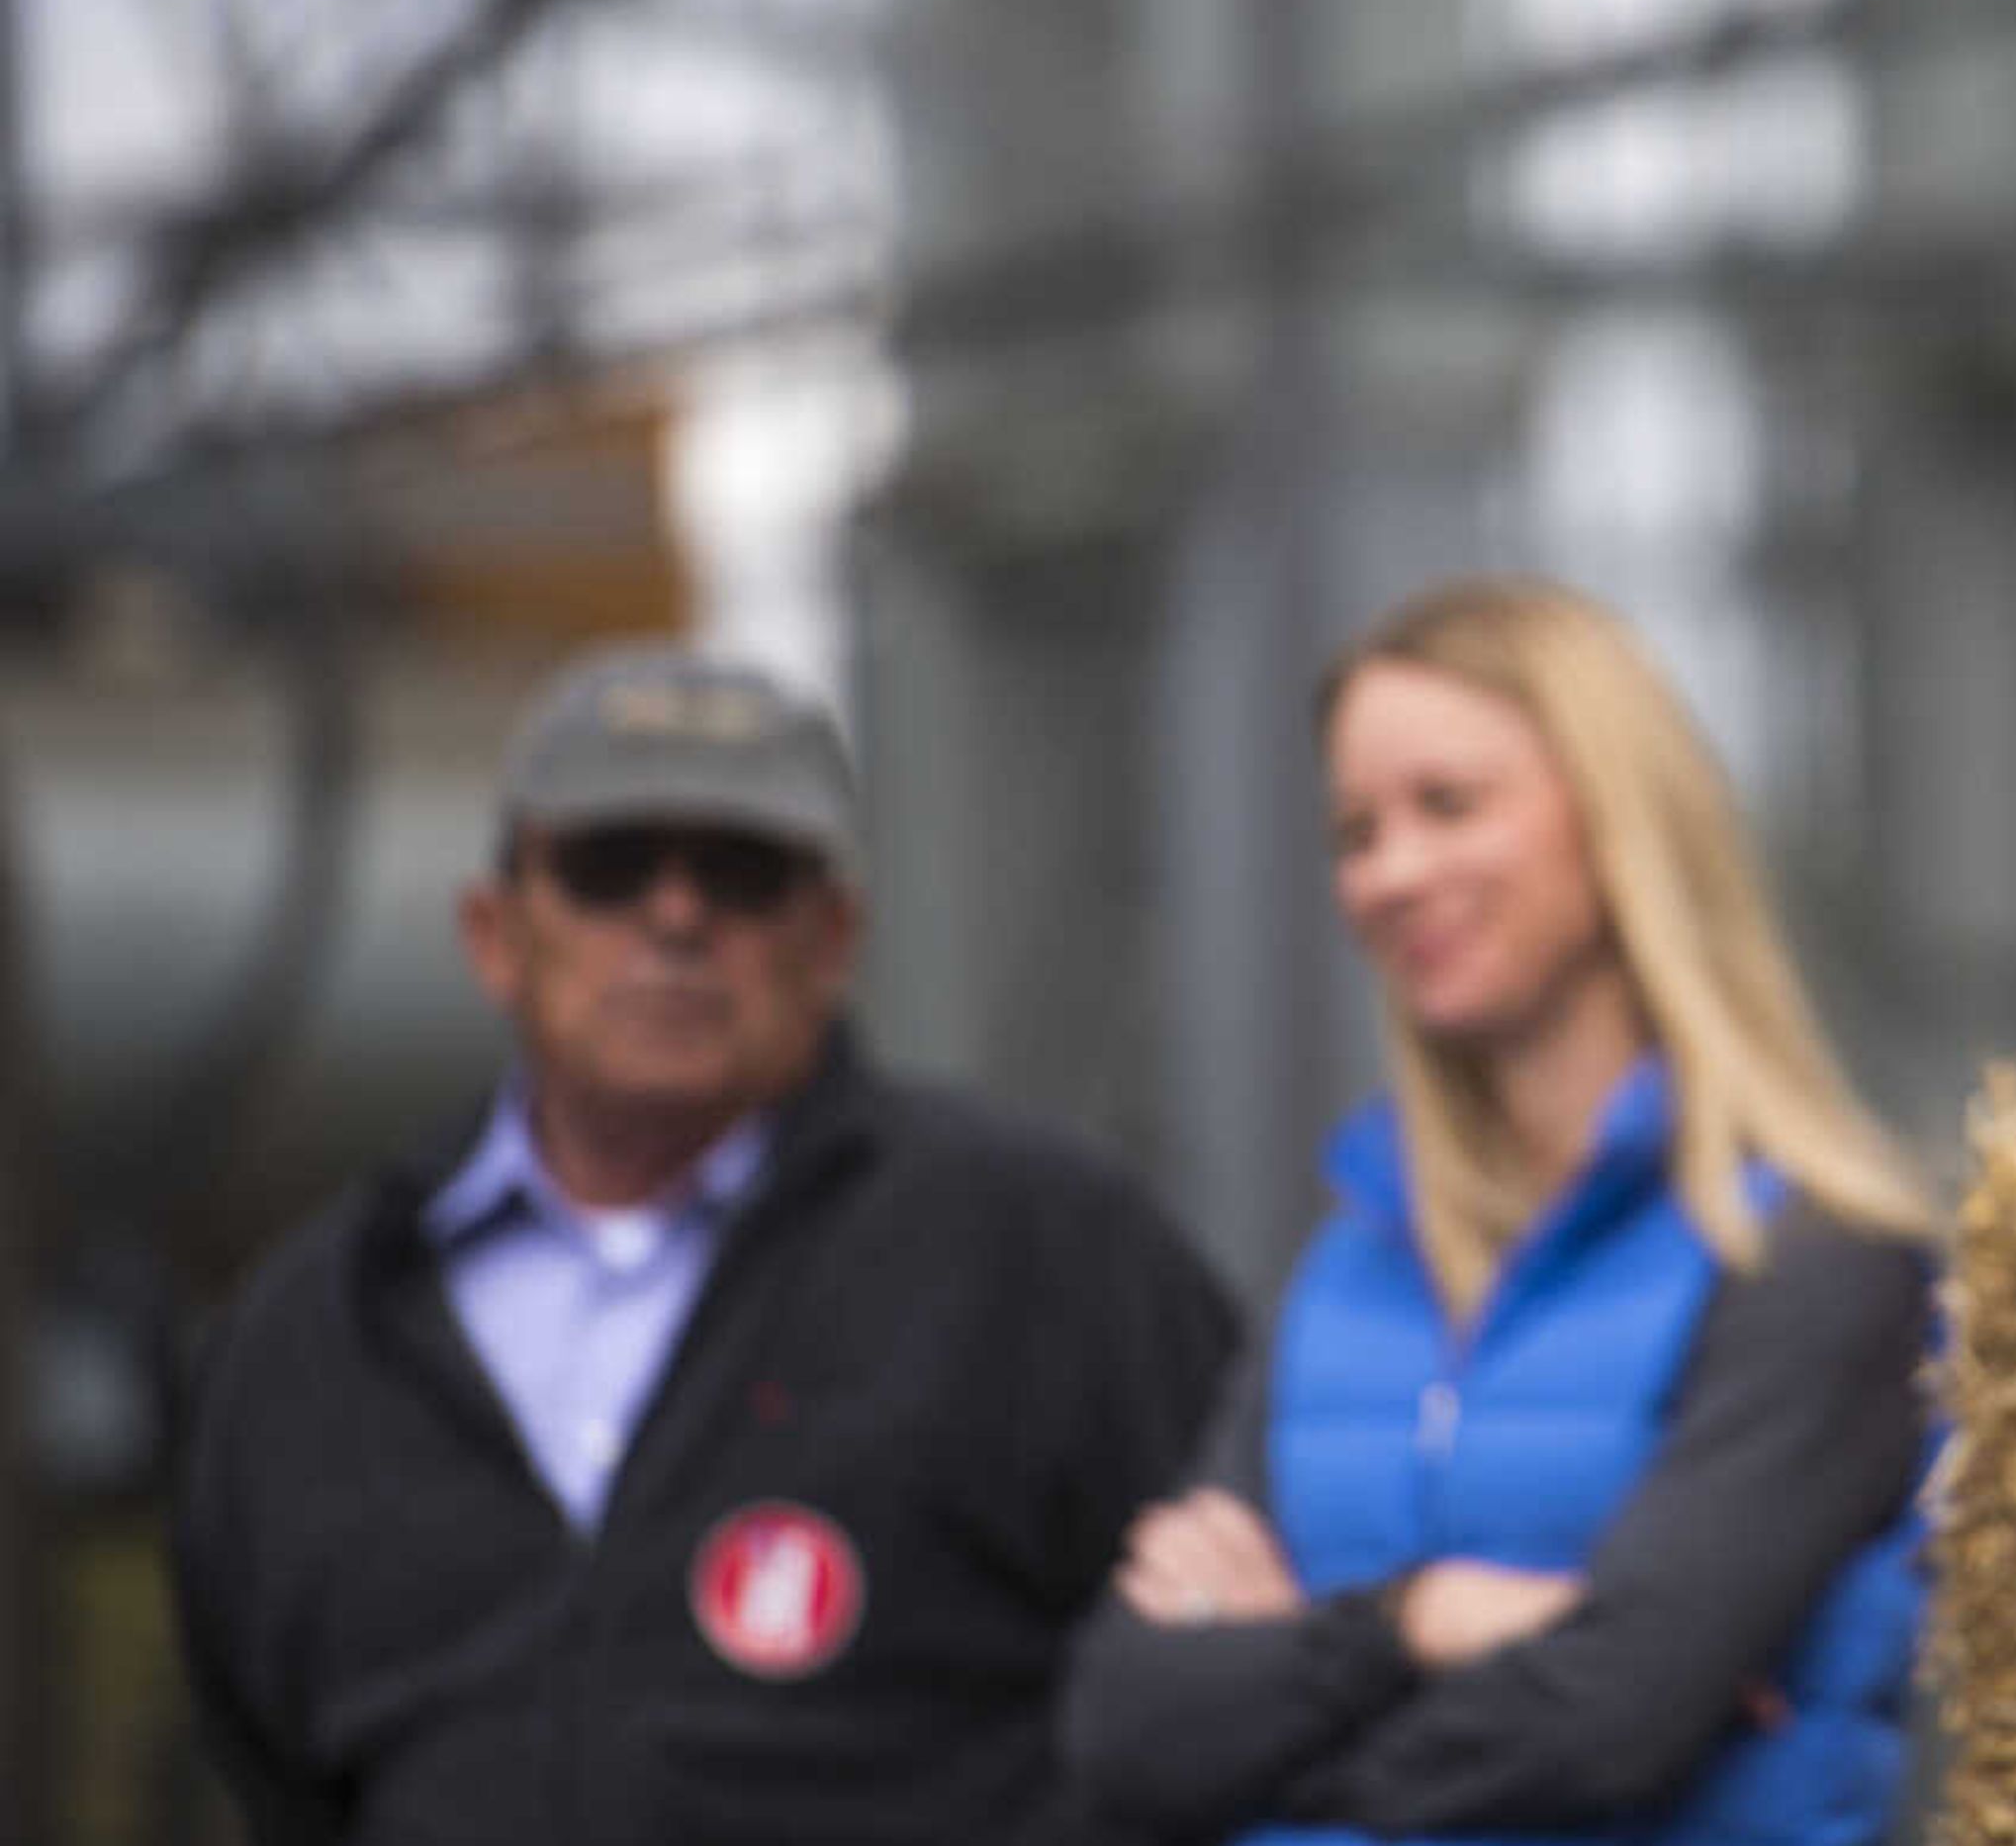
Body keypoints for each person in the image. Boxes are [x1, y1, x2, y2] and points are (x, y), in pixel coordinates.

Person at [171, 643, 1239, 1844]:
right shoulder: (317, 1331)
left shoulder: (1049, 1254)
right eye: (609, 866)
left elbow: (1240, 1698)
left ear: (834, 936)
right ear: (494, 935)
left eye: (742, 872)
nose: (675, 916)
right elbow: (266, 1760)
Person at [1060, 578, 1937, 1846]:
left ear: (1617, 817)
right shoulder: (1352, 1268)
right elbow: (1122, 1732)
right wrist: (1413, 1621)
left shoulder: (1814, 1260)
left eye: (1449, 805)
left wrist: (1269, 1724)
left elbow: (1609, 1728)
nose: (1393, 872)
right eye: (1355, 832)